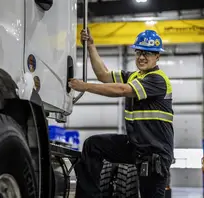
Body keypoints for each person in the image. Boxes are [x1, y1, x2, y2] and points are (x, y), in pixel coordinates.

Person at [69, 28, 174, 198]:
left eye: (147, 53)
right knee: (93, 145)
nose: (141, 57)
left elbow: (121, 90)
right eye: (139, 52)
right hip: (135, 146)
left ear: (157, 57)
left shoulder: (158, 79)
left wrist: (85, 86)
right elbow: (103, 75)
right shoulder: (134, 76)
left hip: (155, 154)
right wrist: (91, 46)